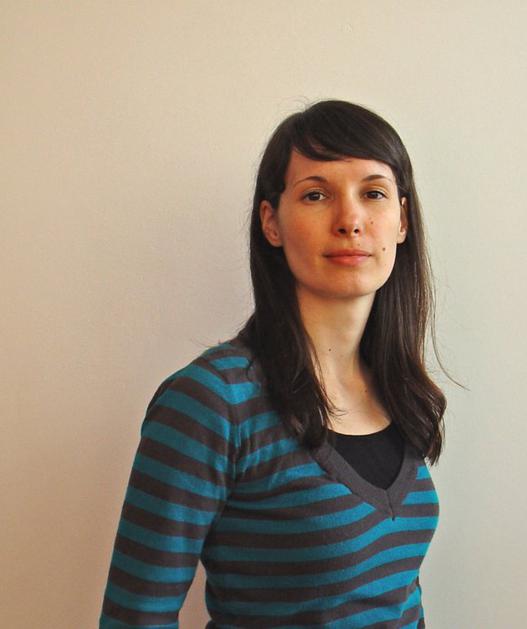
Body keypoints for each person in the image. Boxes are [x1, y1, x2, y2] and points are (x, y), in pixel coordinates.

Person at [99, 100, 447, 628]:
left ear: (401, 220)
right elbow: (135, 619)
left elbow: (401, 603)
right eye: (316, 195)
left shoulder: (397, 390)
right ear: (271, 222)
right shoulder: (212, 403)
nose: (351, 220)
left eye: (373, 193)